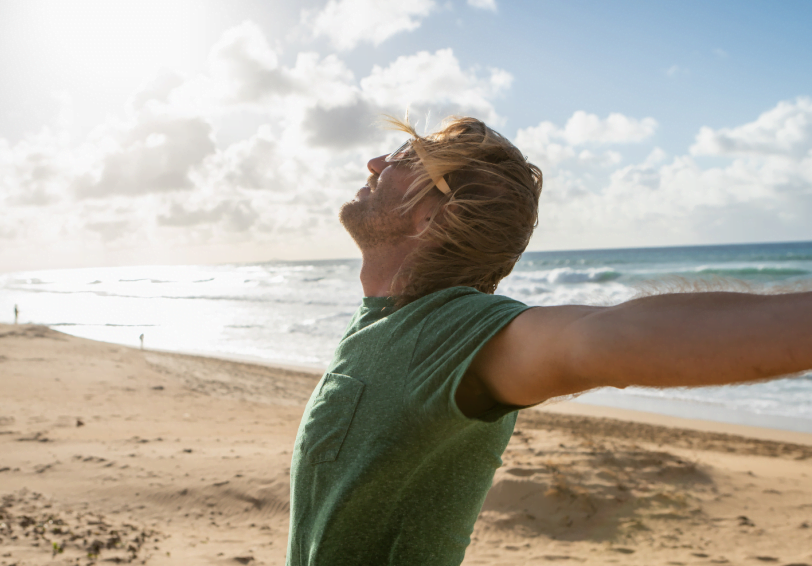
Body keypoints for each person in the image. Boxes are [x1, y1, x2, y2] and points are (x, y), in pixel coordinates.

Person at [285, 116, 812, 566]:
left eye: (405, 157)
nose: (376, 163)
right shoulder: (384, 322)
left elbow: (605, 338)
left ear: (432, 216)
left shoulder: (450, 331)